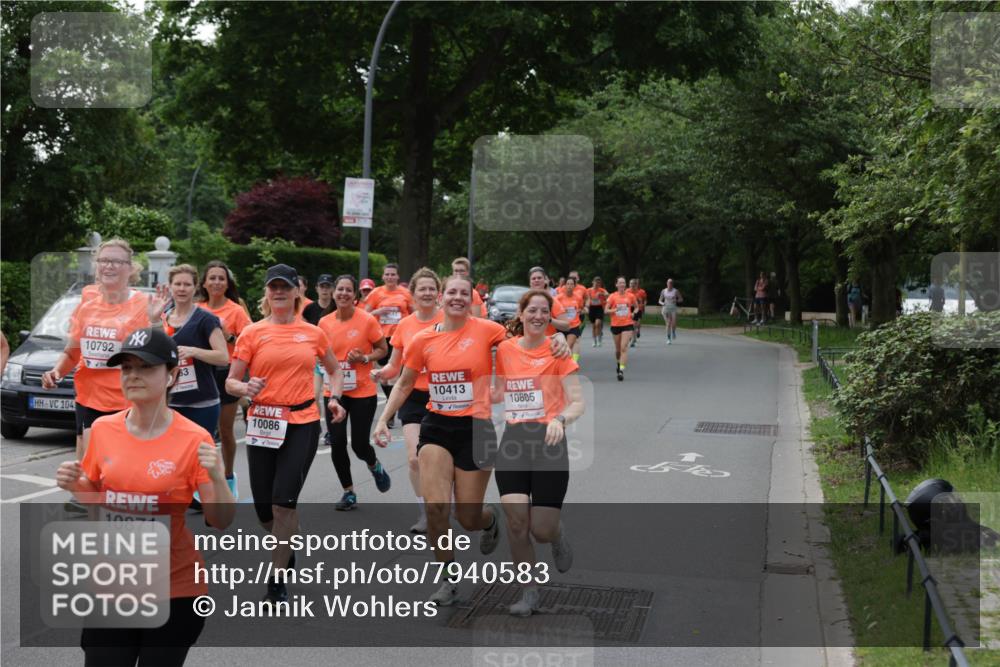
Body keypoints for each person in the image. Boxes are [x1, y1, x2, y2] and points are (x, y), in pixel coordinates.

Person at [372, 275, 570, 606]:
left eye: (465, 293)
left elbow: (531, 331)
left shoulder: (487, 329)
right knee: (436, 507)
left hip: (476, 429)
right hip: (436, 426)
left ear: (472, 298)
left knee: (467, 518)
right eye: (452, 292)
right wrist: (382, 418)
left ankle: (488, 519)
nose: (458, 298)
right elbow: (405, 383)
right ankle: (448, 579)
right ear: (441, 298)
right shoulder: (422, 340)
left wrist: (559, 336)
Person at [55, 326, 235, 666]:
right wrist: (77, 485)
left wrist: (217, 476)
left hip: (174, 590)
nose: (133, 376)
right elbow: (96, 511)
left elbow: (220, 520)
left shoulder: (194, 438)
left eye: (146, 367)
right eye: (127, 368)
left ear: (171, 375)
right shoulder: (103, 430)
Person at [226, 264, 347, 604]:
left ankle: (276, 579)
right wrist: (244, 385)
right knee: (265, 510)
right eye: (272, 287)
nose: (278, 292)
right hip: (262, 421)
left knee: (283, 503)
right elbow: (231, 381)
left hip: (301, 421)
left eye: (285, 287)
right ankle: (287, 542)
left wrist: (335, 398)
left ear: (297, 292)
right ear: (266, 293)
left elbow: (335, 371)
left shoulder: (313, 333)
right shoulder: (252, 333)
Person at [493, 289, 585, 616]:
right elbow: (496, 390)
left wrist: (560, 419)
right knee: (517, 523)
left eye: (543, 311)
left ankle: (558, 535)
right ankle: (529, 592)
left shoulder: (559, 352)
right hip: (514, 441)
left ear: (549, 316)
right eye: (531, 310)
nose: (537, 316)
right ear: (521, 314)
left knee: (541, 529)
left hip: (548, 442)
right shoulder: (504, 349)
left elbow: (577, 401)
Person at [42, 238, 169, 461]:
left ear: (130, 269)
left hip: (128, 400)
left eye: (116, 261)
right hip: (89, 398)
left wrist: (155, 321)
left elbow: (163, 354)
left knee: (123, 466)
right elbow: (73, 351)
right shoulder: (87, 307)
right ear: (97, 266)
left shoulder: (144, 305)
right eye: (104, 260)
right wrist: (56, 372)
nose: (109, 266)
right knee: (88, 468)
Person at [371, 267, 444, 533]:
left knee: (443, 458)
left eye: (431, 288)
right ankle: (425, 512)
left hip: (444, 395)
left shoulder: (450, 319)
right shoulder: (405, 325)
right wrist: (383, 373)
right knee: (414, 458)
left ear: (438, 293)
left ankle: (450, 500)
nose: (427, 293)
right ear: (412, 294)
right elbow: (395, 365)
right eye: (421, 289)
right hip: (413, 394)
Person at [318, 275, 391, 511]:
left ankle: (373, 464)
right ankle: (348, 492)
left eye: (349, 290)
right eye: (340, 289)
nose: (343, 294)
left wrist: (365, 358)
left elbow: (383, 348)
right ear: (333, 293)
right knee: (337, 442)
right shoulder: (324, 323)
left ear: (355, 295)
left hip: (362, 391)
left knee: (359, 444)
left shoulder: (367, 320)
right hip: (335, 392)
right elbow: (318, 354)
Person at [196, 260, 253, 498]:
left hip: (226, 372)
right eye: (213, 278)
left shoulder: (236, 310)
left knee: (225, 430)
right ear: (205, 283)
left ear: (227, 283)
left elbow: (250, 342)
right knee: (200, 433)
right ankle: (202, 480)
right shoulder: (196, 308)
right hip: (199, 372)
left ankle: (229, 476)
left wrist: (228, 335)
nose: (217, 282)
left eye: (221, 278)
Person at [365, 263, 414, 428]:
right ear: (383, 276)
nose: (390, 277)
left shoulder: (405, 293)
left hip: (399, 337)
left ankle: (391, 413)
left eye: (393, 274)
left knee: (394, 374)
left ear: (398, 277)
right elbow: (364, 314)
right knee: (384, 377)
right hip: (381, 338)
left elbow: (414, 313)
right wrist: (377, 313)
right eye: (387, 274)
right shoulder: (376, 293)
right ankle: (390, 402)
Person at [605, 277, 638, 381]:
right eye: (620, 283)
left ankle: (621, 371)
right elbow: (606, 310)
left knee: (624, 347)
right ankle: (619, 363)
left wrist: (633, 312)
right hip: (615, 325)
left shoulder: (631, 296)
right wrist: (615, 309)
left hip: (627, 324)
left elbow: (637, 307)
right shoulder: (612, 297)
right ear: (616, 285)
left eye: (624, 282)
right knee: (618, 350)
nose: (622, 284)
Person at [528, 267, 571, 335]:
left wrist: (549, 320)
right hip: (528, 343)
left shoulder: (552, 300)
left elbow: (567, 326)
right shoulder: (525, 301)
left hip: (547, 342)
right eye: (533, 278)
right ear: (530, 282)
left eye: (539, 278)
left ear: (545, 281)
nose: (536, 280)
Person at [554, 277, 584, 361]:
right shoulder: (558, 298)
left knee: (568, 346)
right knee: (561, 348)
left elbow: (581, 308)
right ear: (565, 286)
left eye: (571, 284)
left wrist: (580, 310)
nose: (569, 286)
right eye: (568, 284)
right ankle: (564, 364)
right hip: (562, 325)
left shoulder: (578, 297)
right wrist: (563, 310)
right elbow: (554, 310)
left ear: (574, 286)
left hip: (573, 325)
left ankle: (572, 363)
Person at [658, 278, 683, 345]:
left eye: (671, 283)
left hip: (673, 309)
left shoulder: (676, 291)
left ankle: (673, 331)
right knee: (668, 323)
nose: (670, 284)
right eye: (668, 283)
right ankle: (668, 338)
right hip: (665, 309)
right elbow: (659, 300)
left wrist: (676, 300)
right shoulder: (663, 291)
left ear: (672, 284)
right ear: (667, 283)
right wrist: (663, 303)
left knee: (673, 323)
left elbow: (681, 299)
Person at [588, 277, 608, 347]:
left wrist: (601, 294)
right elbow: (585, 297)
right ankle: (594, 341)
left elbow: (607, 294)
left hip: (599, 308)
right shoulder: (589, 290)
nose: (597, 284)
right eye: (595, 282)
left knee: (598, 324)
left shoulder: (601, 290)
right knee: (594, 326)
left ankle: (599, 339)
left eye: (598, 283)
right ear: (592, 282)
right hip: (591, 308)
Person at [628, 279, 647, 346]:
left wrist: (643, 306)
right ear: (629, 284)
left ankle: (633, 340)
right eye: (631, 283)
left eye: (633, 284)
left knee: (634, 325)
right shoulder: (627, 291)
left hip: (637, 309)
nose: (632, 285)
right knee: (629, 325)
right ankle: (632, 337)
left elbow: (644, 300)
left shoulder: (640, 292)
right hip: (629, 309)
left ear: (636, 285)